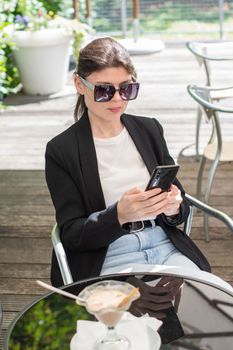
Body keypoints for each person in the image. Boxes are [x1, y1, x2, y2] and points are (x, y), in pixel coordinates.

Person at [45, 37, 210, 287]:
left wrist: (174, 206)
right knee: (128, 321)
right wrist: (118, 215)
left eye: (127, 88)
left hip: (165, 245)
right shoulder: (62, 150)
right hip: (109, 255)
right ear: (79, 84)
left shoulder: (149, 129)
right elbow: (71, 234)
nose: (118, 99)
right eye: (104, 90)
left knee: (207, 306)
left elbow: (180, 204)